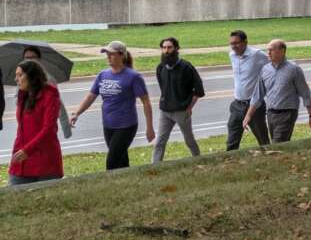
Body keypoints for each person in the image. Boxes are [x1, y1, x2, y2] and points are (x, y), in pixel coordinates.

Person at [70, 41, 154, 171]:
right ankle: (126, 183)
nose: (108, 57)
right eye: (107, 54)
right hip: (108, 125)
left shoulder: (133, 76)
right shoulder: (103, 75)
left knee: (112, 162)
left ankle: (111, 185)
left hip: (126, 126)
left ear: (122, 55)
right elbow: (90, 96)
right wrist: (77, 113)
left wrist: (150, 128)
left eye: (112, 54)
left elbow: (146, 102)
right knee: (121, 159)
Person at [243, 39, 311, 143]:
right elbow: (257, 95)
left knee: (277, 144)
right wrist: (248, 115)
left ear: (282, 51)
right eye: (267, 50)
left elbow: (305, 94)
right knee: (280, 146)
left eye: (271, 50)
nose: (268, 53)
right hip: (270, 114)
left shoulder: (294, 69)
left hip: (287, 114)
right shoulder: (265, 69)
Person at [7, 60, 63, 186]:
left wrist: (28, 150)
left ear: (31, 76)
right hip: (22, 158)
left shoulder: (50, 96)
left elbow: (48, 129)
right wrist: (21, 150)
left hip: (44, 161)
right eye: (16, 75)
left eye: (20, 75)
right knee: (13, 197)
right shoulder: (23, 96)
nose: (16, 79)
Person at [151, 37, 206, 164]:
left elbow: (199, 90)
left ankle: (198, 160)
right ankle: (155, 166)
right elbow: (163, 88)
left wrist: (189, 108)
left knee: (189, 140)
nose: (166, 50)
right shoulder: (160, 68)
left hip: (181, 112)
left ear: (177, 49)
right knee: (159, 141)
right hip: (165, 111)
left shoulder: (186, 67)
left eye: (169, 47)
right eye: (164, 48)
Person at [227, 30, 270, 150]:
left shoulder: (257, 55)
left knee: (262, 138)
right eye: (231, 43)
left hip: (254, 105)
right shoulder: (232, 55)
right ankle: (230, 160)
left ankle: (269, 155)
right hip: (237, 104)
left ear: (245, 42)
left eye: (236, 43)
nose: (233, 46)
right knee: (232, 137)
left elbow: (274, 65)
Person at [21, 45, 72, 140]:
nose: (29, 60)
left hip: (44, 128)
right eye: (26, 58)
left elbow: (58, 104)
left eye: (32, 57)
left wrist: (66, 130)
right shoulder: (21, 79)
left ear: (39, 59)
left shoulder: (47, 79)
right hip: (27, 127)